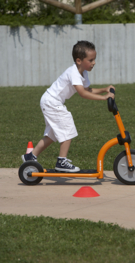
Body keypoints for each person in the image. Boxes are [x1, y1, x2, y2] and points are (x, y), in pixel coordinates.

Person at [22, 40, 115, 172]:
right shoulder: (73, 73)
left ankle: (30, 156)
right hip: (51, 101)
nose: (94, 62)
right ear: (79, 61)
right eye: (91, 60)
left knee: (52, 135)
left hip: (51, 101)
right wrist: (104, 97)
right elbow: (82, 93)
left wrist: (104, 89)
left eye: (94, 59)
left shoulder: (83, 73)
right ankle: (61, 161)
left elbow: (87, 89)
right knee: (67, 125)